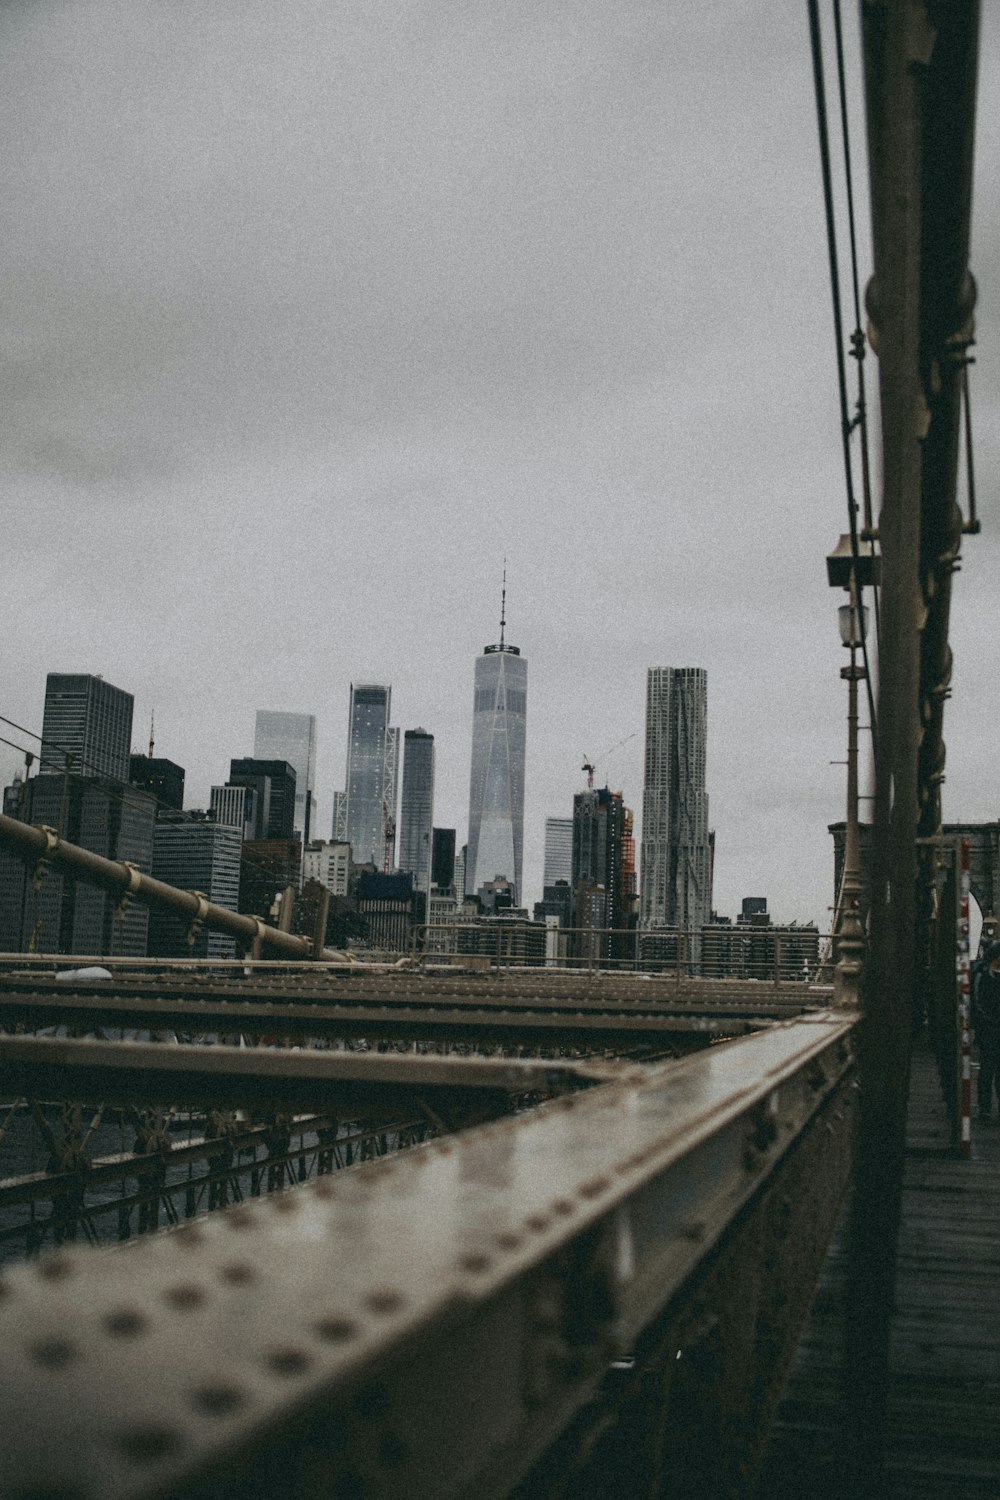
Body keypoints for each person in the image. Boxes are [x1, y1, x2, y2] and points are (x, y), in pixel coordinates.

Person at [972, 940, 1000, 1117]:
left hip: (991, 1028)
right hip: (990, 1029)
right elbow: (979, 1002)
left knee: (990, 1069)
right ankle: (984, 1107)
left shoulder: (984, 975)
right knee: (988, 1069)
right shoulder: (984, 975)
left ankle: (986, 1107)